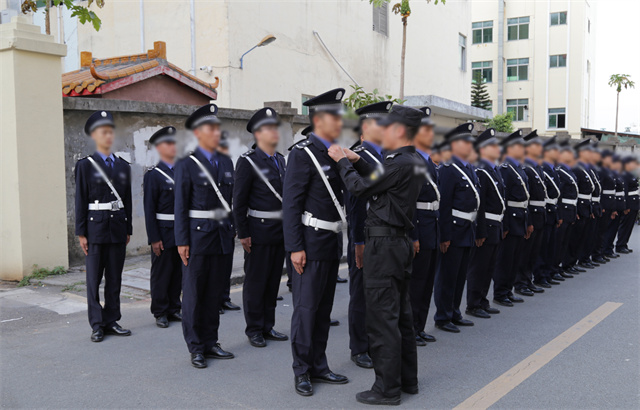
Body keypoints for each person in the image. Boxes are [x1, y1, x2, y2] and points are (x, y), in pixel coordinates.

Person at [326, 104, 426, 406]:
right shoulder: (412, 160)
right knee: (402, 317)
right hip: (399, 245)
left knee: (383, 318)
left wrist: (343, 162)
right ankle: (407, 381)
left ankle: (386, 389)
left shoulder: (398, 162)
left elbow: (359, 188)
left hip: (384, 248)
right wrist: (359, 160)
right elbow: (384, 182)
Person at [283, 88, 349, 397]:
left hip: (331, 241)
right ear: (320, 119)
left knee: (323, 310)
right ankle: (302, 371)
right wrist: (295, 247)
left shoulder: (335, 152)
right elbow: (291, 204)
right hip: (308, 244)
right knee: (306, 309)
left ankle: (319, 365)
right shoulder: (302, 153)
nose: (341, 121)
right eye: (336, 116)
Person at [175, 103, 236, 369]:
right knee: (194, 294)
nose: (216, 132)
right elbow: (180, 206)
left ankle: (211, 341)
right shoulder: (187, 164)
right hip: (197, 238)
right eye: (211, 128)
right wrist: (181, 241)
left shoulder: (225, 160)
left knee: (214, 294)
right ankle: (196, 347)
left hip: (222, 235)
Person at [233, 107, 289, 348]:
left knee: (273, 280)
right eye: (269, 128)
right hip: (258, 230)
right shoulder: (247, 161)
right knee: (256, 281)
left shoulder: (281, 160)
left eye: (276, 127)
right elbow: (239, 200)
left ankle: (268, 324)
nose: (275, 132)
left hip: (280, 230)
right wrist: (243, 232)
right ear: (258, 133)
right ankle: (254, 328)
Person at [75, 110, 132, 343]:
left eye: (110, 132)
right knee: (93, 281)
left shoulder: (123, 166)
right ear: (95, 136)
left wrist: (128, 228)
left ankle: (111, 319)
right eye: (102, 132)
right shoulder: (86, 166)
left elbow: (127, 198)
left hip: (118, 228)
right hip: (95, 229)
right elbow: (80, 199)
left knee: (115, 278)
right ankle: (97, 324)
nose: (108, 136)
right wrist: (81, 232)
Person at [345, 101, 392, 368]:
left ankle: (375, 341)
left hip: (384, 235)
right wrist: (358, 241)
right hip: (365, 236)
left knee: (379, 293)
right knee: (361, 292)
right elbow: (356, 203)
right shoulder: (358, 155)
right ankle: (359, 346)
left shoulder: (386, 155)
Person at [433, 123, 479, 332]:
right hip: (453, 229)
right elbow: (444, 205)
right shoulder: (449, 169)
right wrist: (444, 235)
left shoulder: (468, 167)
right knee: (448, 276)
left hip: (467, 228)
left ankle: (455, 312)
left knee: (460, 275)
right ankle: (443, 316)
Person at [143, 126, 182, 329]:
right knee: (162, 272)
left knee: (178, 272)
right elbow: (149, 209)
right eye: (168, 143)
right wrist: (154, 238)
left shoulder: (181, 171)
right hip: (163, 231)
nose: (172, 146)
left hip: (180, 230)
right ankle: (160, 311)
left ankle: (174, 307)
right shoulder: (153, 175)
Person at [465, 128, 504, 319]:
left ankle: (483, 300)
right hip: (486, 225)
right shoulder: (481, 171)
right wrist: (480, 231)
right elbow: (479, 204)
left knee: (489, 266)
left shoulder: (493, 169)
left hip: (495, 225)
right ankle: (473, 303)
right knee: (479, 266)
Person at [409, 106, 439, 345]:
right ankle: (410, 329)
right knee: (416, 284)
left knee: (427, 282)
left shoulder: (428, 160)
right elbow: (411, 202)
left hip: (433, 227)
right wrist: (414, 235)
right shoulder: (414, 160)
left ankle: (419, 326)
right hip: (420, 227)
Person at [493, 130, 529, 307]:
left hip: (520, 217)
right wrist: (505, 223)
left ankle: (509, 289)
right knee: (505, 258)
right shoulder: (506, 169)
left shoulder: (518, 168)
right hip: (511, 218)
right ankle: (500, 292)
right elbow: (504, 199)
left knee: (515, 258)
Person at [515, 130, 546, 294]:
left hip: (540, 213)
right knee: (525, 252)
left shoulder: (536, 167)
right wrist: (530, 221)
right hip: (531, 213)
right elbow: (526, 198)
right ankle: (520, 283)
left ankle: (528, 280)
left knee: (534, 251)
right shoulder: (526, 169)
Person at [539, 136, 564, 285]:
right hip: (546, 210)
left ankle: (548, 273)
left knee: (550, 246)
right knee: (543, 247)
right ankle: (541, 275)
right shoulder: (544, 168)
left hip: (552, 210)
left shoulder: (552, 168)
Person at [569, 139, 596, 270]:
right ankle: (570, 262)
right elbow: (575, 191)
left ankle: (576, 261)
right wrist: (577, 210)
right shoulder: (577, 169)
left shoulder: (587, 169)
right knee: (575, 238)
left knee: (583, 237)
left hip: (586, 205)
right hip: (579, 206)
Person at [555, 140, 580, 277]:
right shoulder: (560, 171)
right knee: (558, 243)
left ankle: (561, 266)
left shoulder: (569, 171)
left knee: (565, 242)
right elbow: (559, 195)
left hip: (570, 210)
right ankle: (555, 267)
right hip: (564, 210)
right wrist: (560, 214)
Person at [595, 150, 618, 262]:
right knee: (600, 232)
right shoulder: (602, 171)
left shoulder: (610, 171)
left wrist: (613, 208)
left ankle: (602, 251)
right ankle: (597, 253)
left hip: (610, 204)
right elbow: (600, 190)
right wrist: (602, 205)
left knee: (604, 230)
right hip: (604, 204)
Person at [602, 155, 625, 258]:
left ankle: (608, 249)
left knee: (612, 229)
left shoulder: (614, 174)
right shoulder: (605, 173)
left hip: (612, 204)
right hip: (607, 204)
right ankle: (605, 249)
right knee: (608, 229)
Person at [616, 156, 639, 253]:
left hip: (634, 203)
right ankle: (620, 245)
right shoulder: (624, 175)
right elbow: (624, 190)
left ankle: (624, 243)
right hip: (629, 203)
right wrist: (626, 206)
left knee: (629, 226)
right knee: (625, 225)